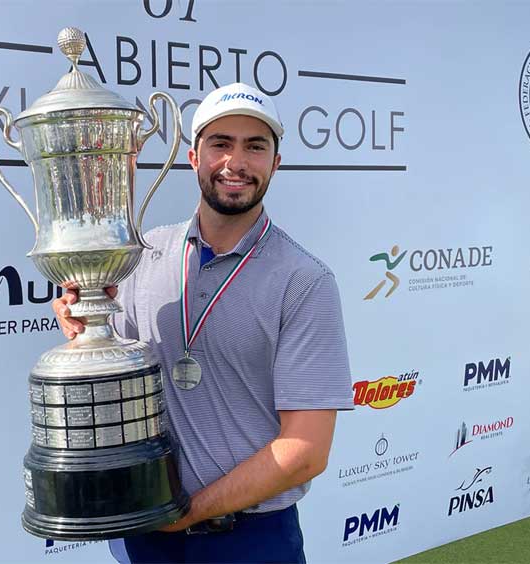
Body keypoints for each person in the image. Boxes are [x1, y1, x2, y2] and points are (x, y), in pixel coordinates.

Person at [52, 82, 354, 563]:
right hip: (146, 536)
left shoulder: (304, 281)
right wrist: (82, 320)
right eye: (221, 143)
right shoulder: (141, 255)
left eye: (255, 146)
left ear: (275, 163)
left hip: (250, 540)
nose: (236, 162)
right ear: (194, 157)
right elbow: (114, 388)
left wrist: (188, 512)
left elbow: (306, 450)